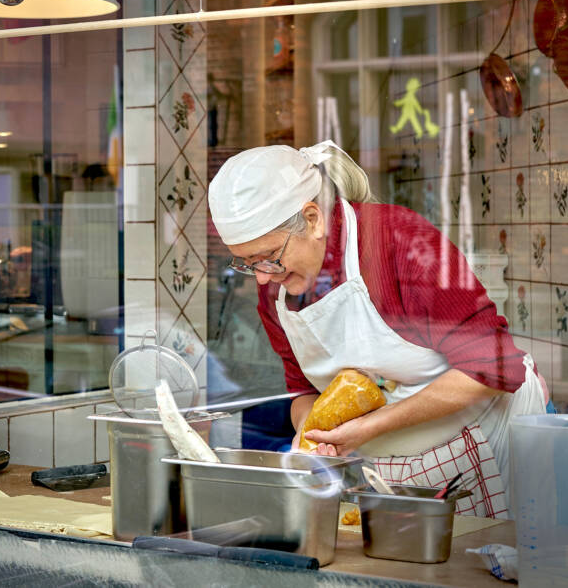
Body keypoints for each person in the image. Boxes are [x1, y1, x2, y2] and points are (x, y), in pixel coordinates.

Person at [207, 141, 548, 519]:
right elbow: (303, 389)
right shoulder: (275, 290)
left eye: (269, 257)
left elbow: (495, 367)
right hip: (387, 468)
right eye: (246, 262)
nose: (261, 276)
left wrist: (366, 428)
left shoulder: (398, 244)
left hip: (484, 442)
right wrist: (312, 431)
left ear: (313, 218)